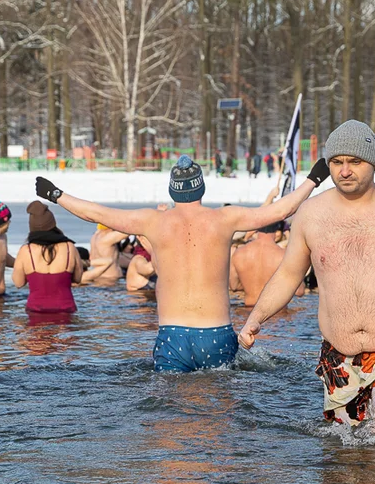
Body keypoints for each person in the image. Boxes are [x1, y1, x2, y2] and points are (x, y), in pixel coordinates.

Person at [238, 120, 375, 429]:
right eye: (337, 162)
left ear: (373, 163)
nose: (344, 171)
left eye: (355, 162)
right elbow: (288, 275)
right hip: (338, 356)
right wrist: (256, 318)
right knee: (347, 449)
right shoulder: (311, 214)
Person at [35, 153, 332, 372]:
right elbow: (283, 208)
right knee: (218, 413)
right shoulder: (225, 219)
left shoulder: (152, 221)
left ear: (173, 191)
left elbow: (96, 213)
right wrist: (314, 178)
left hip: (172, 335)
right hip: (216, 334)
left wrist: (56, 195)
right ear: (201, 188)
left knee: (172, 418)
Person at [12, 201, 83, 315]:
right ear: (52, 224)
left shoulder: (26, 251)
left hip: (36, 311)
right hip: (65, 310)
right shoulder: (70, 247)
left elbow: (18, 283)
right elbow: (78, 279)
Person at [231, 223, 304, 307]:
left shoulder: (239, 253)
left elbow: (234, 286)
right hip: (277, 315)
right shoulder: (284, 255)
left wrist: (251, 285)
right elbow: (299, 291)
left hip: (248, 312)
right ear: (277, 230)